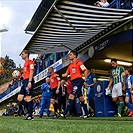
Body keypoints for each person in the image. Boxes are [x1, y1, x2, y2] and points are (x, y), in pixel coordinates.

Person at [59, 50, 89, 118]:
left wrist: (85, 80)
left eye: (71, 54)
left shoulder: (79, 62)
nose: (69, 56)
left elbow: (85, 70)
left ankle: (65, 113)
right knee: (81, 98)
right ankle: (86, 114)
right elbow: (66, 74)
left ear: (75, 55)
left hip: (78, 81)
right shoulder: (70, 65)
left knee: (71, 96)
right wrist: (59, 75)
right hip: (74, 82)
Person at [17, 50, 34, 120]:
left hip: (28, 81)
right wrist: (21, 77)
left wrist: (30, 81)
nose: (21, 55)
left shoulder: (30, 62)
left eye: (22, 54)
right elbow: (26, 73)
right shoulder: (24, 64)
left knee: (28, 98)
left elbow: (31, 71)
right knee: (19, 98)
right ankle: (29, 111)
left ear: (26, 54)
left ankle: (30, 115)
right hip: (24, 81)